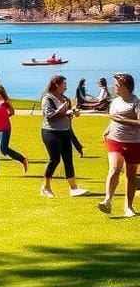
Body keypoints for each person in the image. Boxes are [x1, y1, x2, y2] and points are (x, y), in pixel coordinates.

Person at [98, 72, 140, 217]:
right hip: (114, 140)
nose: (114, 86)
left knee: (130, 175)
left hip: (134, 142)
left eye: (117, 84)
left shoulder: (136, 102)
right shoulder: (115, 101)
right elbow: (113, 119)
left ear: (125, 87)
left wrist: (121, 120)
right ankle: (107, 200)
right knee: (114, 169)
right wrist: (107, 130)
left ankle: (128, 207)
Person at [39, 75, 88, 198]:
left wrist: (73, 113)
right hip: (51, 132)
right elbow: (50, 117)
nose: (66, 86)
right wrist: (64, 112)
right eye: (64, 84)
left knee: (68, 160)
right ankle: (45, 187)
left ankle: (73, 188)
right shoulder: (47, 98)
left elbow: (67, 116)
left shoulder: (65, 99)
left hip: (65, 131)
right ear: (57, 84)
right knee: (54, 160)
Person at [0, 84, 29, 178]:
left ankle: (22, 159)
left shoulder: (5, 102)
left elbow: (12, 112)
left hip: (4, 127)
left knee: (4, 148)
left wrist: (3, 117)